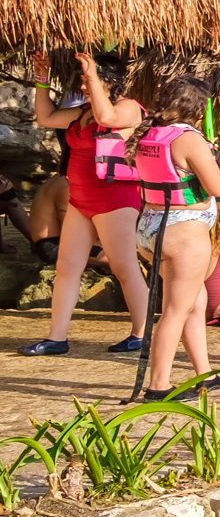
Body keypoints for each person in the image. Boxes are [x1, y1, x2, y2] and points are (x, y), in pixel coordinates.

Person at [22, 56, 152, 357]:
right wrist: (42, 79)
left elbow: (108, 118)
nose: (82, 85)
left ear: (109, 81)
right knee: (67, 267)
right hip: (80, 200)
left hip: (115, 199)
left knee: (124, 267)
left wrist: (92, 74)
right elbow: (45, 117)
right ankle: (57, 338)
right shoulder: (82, 112)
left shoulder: (128, 108)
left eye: (88, 79)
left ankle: (142, 333)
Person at [128, 75, 220, 400]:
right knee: (176, 309)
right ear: (197, 107)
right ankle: (159, 385)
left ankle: (203, 374)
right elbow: (218, 187)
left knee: (195, 300)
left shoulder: (149, 133)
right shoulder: (189, 139)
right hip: (183, 231)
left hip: (150, 226)